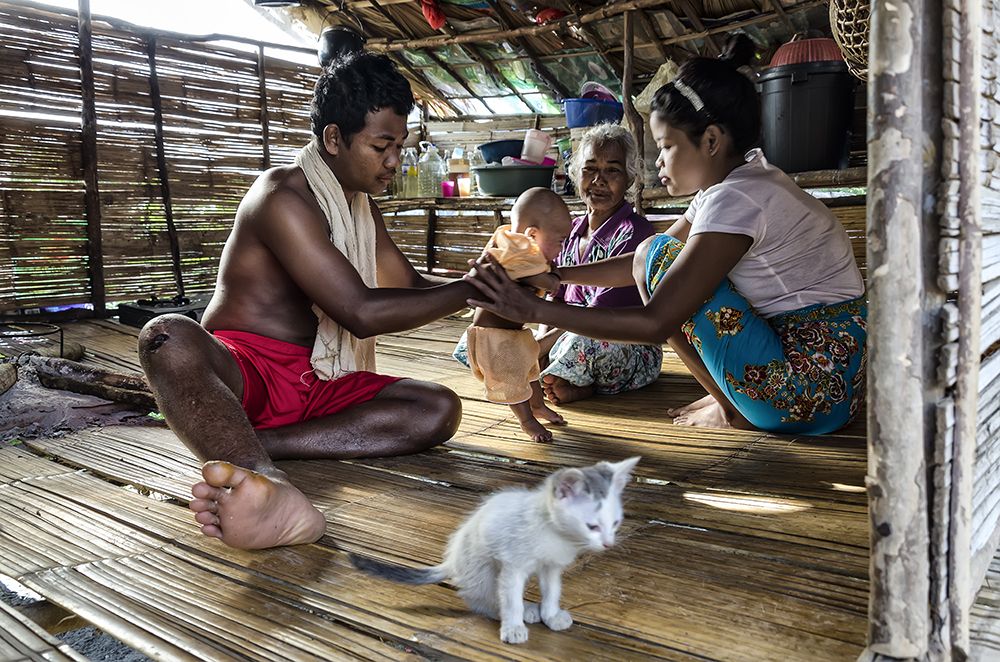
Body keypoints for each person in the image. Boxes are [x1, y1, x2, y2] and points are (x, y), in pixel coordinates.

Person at [138, 52, 476, 550]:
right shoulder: (282, 198)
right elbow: (360, 313)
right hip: (246, 373)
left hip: (318, 380)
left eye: (400, 147)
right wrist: (472, 290)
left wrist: (488, 287)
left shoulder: (360, 207)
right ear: (334, 138)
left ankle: (254, 449)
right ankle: (264, 484)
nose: (393, 162)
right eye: (381, 146)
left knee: (437, 408)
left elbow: (409, 284)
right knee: (166, 338)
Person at [464, 34, 867, 435]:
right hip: (834, 385)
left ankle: (732, 410)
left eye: (666, 146)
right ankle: (730, 399)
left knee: (660, 256)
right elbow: (639, 261)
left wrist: (531, 310)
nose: (657, 161)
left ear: (710, 141)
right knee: (655, 253)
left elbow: (657, 321)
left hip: (804, 393)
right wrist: (560, 277)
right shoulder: (739, 185)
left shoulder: (739, 199)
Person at [538, 123, 662, 405]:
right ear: (576, 173)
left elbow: (600, 314)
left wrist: (540, 348)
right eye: (590, 169)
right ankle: (567, 376)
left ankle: (578, 381)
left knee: (578, 342)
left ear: (630, 179)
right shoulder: (568, 231)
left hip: (624, 344)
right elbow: (553, 298)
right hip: (566, 333)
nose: (598, 180)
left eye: (612, 170)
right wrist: (540, 341)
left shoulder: (634, 233)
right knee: (503, 335)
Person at [456, 188, 570, 442]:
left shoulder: (520, 246)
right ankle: (527, 420)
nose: (563, 248)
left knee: (530, 373)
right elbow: (520, 272)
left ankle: (537, 407)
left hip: (512, 333)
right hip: (494, 337)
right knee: (513, 382)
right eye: (561, 241)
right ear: (532, 234)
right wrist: (550, 280)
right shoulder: (517, 248)